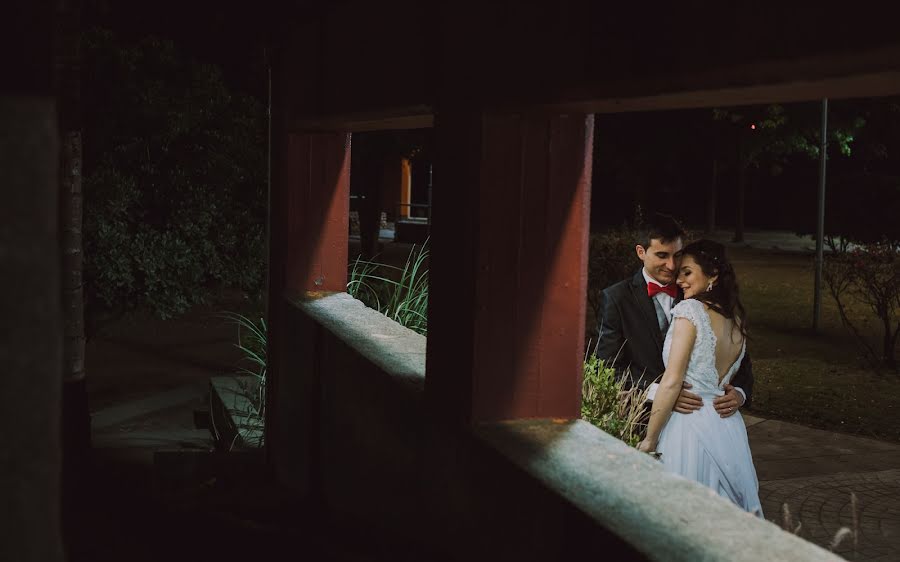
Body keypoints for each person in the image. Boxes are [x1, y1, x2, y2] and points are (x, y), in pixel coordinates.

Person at [637, 240, 762, 516]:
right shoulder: (737, 321)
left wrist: (650, 440)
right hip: (727, 430)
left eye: (687, 272)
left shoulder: (689, 312)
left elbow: (672, 381)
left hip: (688, 427)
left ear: (713, 275)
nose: (678, 280)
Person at [594, 213, 753, 417]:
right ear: (641, 252)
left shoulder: (696, 290)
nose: (671, 265)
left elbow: (738, 352)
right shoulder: (617, 298)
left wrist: (740, 392)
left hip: (702, 417)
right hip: (642, 417)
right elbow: (606, 368)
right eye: (662, 255)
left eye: (677, 255)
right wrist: (660, 392)